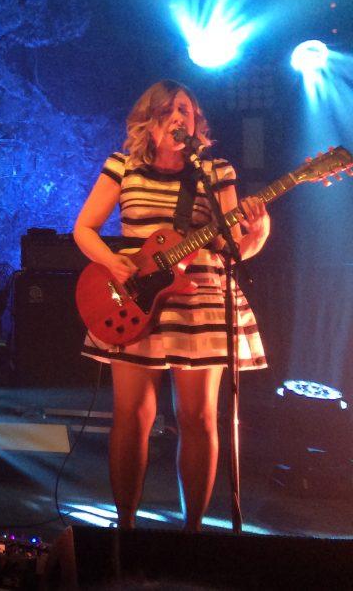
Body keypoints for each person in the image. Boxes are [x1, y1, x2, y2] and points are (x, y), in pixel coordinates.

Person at [73, 80, 269, 532]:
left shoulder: (216, 171)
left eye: (187, 110)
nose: (179, 117)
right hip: (135, 295)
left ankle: (193, 532)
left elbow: (228, 247)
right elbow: (84, 229)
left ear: (198, 122)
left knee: (198, 418)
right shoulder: (122, 167)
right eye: (168, 110)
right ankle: (125, 529)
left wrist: (256, 234)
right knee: (133, 414)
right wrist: (114, 263)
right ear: (150, 118)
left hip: (198, 299)